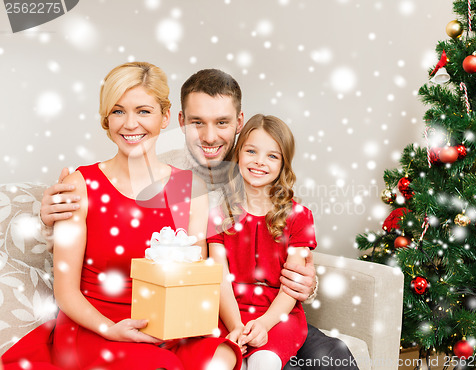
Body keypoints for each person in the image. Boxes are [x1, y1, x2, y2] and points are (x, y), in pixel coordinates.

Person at [39, 69, 358, 369]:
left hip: (265, 314)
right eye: (197, 123)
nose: (209, 136)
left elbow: (290, 233)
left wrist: (307, 283)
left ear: (239, 122)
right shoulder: (160, 169)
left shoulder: (256, 158)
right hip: (214, 313)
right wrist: (48, 213)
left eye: (221, 122)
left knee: (333, 356)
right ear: (178, 121)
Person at [2, 62, 241, 370]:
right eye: (118, 111)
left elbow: (195, 277)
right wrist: (109, 329)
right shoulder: (80, 185)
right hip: (97, 327)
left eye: (143, 111)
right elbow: (66, 291)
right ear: (107, 119)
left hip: (169, 327)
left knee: (222, 358)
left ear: (165, 117)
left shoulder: (190, 187)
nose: (130, 124)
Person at [208, 114, 316, 370]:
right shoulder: (218, 212)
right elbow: (219, 278)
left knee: (263, 361)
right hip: (226, 312)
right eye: (251, 151)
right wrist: (235, 326)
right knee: (218, 363)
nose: (259, 162)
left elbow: (292, 286)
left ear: (283, 164)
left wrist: (265, 324)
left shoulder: (300, 217)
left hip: (278, 316)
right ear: (238, 155)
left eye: (272, 156)